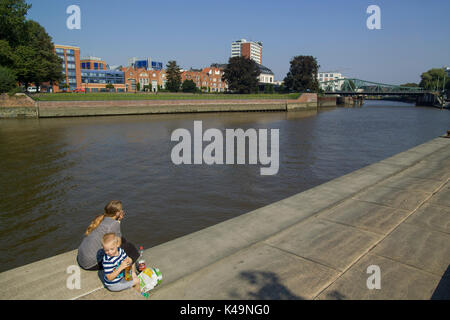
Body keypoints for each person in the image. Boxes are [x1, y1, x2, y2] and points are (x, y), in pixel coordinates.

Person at [77, 200, 139, 271]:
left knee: (123, 240)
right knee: (130, 247)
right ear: (117, 213)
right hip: (91, 264)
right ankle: (133, 267)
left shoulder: (101, 219)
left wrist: (118, 221)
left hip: (81, 258)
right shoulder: (113, 224)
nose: (122, 211)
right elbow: (118, 244)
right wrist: (118, 222)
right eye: (121, 210)